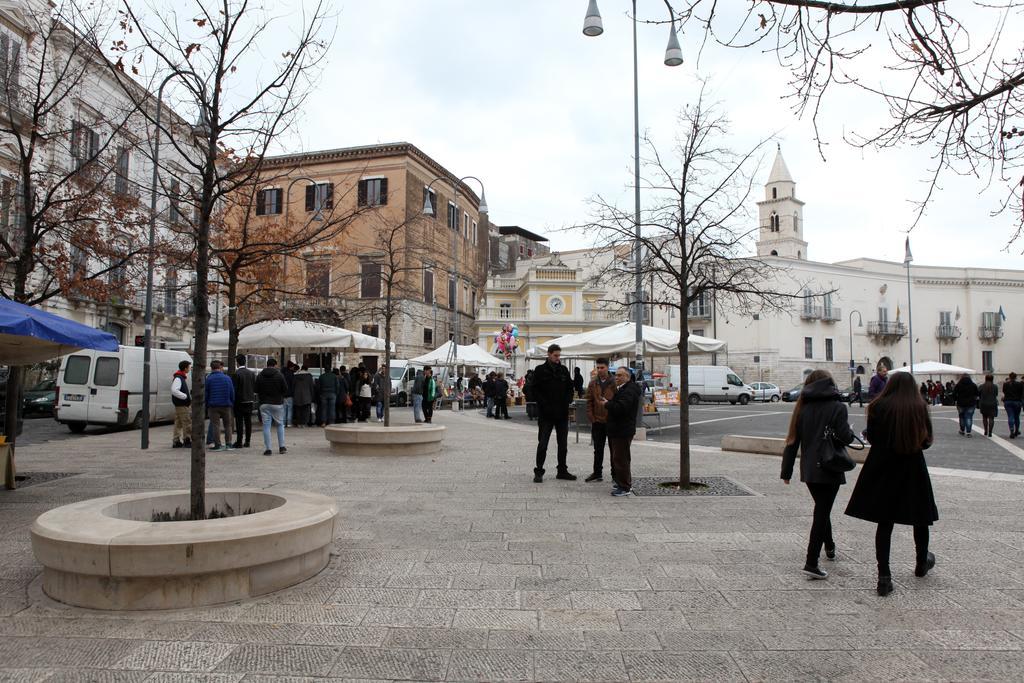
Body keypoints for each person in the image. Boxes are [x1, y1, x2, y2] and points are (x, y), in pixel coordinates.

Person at [845, 371, 938, 597]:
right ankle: (921, 561)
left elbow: (874, 438)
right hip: (912, 465)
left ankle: (884, 576)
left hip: (883, 466)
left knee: (884, 522)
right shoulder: (919, 406)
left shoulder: (878, 406)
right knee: (920, 517)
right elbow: (926, 441)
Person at [780, 369, 855, 580]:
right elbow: (845, 437)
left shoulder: (802, 408)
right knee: (822, 511)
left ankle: (829, 546)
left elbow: (792, 441)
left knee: (822, 507)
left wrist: (786, 471)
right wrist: (848, 431)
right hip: (830, 466)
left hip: (810, 470)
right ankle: (811, 562)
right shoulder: (838, 407)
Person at [532, 344, 576, 483]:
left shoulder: (563, 370)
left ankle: (562, 470)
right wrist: (543, 404)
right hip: (546, 414)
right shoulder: (540, 370)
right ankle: (539, 471)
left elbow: (570, 387)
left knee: (563, 444)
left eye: (559, 355)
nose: (558, 358)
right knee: (543, 443)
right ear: (549, 354)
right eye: (555, 355)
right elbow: (534, 390)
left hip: (562, 413)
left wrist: (568, 400)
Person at [601, 366, 642, 497]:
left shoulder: (629, 390)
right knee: (618, 457)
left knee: (621, 458)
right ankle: (621, 482)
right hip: (618, 429)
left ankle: (624, 486)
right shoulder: (624, 388)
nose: (616, 378)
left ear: (627, 377)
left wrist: (607, 404)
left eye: (620, 375)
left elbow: (622, 408)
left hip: (622, 430)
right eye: (616, 375)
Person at [584, 357, 616, 483]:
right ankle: (597, 473)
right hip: (597, 421)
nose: (600, 370)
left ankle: (615, 474)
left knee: (614, 450)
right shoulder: (593, 383)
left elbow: (617, 400)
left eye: (602, 367)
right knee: (598, 449)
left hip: (611, 421)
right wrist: (591, 417)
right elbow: (589, 401)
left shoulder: (614, 382)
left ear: (607, 367)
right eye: (598, 368)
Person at [255, 358, 288, 456]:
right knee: (280, 424)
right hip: (277, 403)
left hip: (264, 403)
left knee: (266, 426)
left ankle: (268, 449)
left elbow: (256, 389)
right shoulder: (279, 375)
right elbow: (285, 389)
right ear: (275, 365)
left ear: (267, 364)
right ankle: (282, 447)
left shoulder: (260, 375)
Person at [205, 360, 235, 452]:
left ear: (211, 368)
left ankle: (217, 445)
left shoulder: (209, 379)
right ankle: (229, 444)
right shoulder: (227, 378)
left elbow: (206, 393)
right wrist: (231, 402)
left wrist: (207, 404)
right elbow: (232, 392)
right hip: (226, 405)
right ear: (220, 367)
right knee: (228, 425)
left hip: (213, 405)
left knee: (215, 425)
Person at [231, 354, 256, 449]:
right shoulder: (251, 373)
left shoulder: (237, 374)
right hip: (250, 400)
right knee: (248, 421)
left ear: (237, 363)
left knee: (239, 422)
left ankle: (239, 441)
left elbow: (235, 389)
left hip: (239, 401)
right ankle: (248, 441)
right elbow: (254, 386)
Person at [170, 360, 192, 448]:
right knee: (187, 422)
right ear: (185, 368)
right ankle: (187, 440)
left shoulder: (180, 377)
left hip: (179, 404)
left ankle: (176, 441)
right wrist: (185, 396)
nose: (190, 369)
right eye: (189, 367)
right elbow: (174, 390)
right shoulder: (179, 378)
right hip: (182, 404)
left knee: (178, 423)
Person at [953, 372, 979, 437]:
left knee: (961, 417)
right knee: (969, 417)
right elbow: (977, 394)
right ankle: (968, 432)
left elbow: (954, 394)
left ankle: (962, 430)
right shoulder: (973, 385)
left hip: (960, 403)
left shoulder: (958, 385)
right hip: (971, 403)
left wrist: (956, 400)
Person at [1002, 372, 1023, 438]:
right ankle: (1016, 430)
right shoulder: (1019, 384)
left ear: (1009, 377)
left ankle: (1011, 431)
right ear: (1016, 377)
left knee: (1010, 416)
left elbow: (1004, 391)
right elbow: (1021, 393)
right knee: (1017, 417)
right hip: (1017, 402)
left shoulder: (1005, 384)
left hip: (1008, 401)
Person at [282, 361, 296, 427]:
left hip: (284, 394)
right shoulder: (291, 374)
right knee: (290, 409)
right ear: (291, 367)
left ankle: (284, 423)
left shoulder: (283, 373)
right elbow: (293, 385)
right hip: (290, 394)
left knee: (284, 410)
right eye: (293, 366)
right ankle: (289, 423)